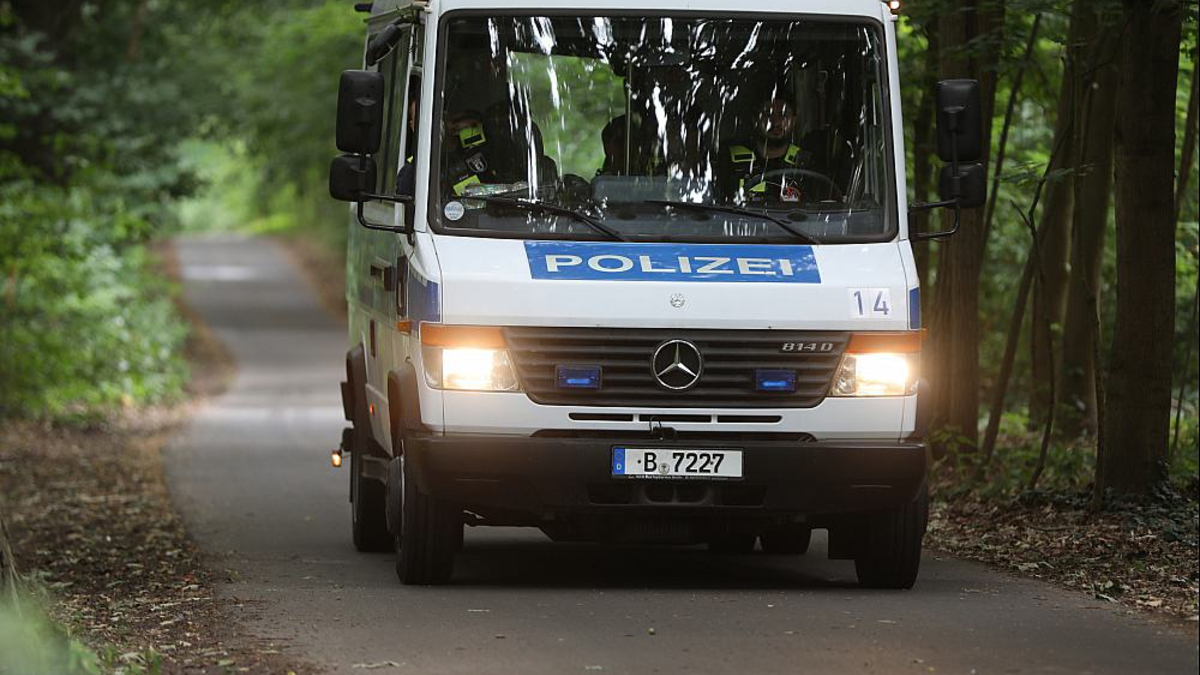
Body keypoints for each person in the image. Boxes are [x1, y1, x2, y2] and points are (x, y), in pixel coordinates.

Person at [722, 95, 825, 205]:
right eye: (768, 115)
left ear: (794, 121)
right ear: (755, 120)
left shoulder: (806, 163)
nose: (776, 122)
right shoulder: (729, 160)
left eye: (783, 115)